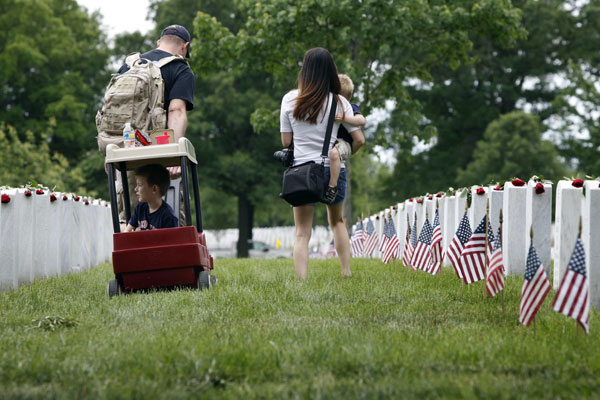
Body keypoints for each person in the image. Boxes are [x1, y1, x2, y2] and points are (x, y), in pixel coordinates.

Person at [280, 47, 365, 279]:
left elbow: (286, 141)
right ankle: (346, 272)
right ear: (331, 71)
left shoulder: (289, 99)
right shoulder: (339, 102)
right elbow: (359, 139)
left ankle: (302, 280)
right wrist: (346, 153)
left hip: (303, 171)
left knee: (301, 232)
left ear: (305, 71)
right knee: (337, 222)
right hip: (332, 170)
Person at [113, 24, 195, 226]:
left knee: (131, 216)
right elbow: (176, 110)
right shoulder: (180, 68)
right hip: (159, 149)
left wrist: (112, 154)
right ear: (185, 47)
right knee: (174, 215)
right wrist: (174, 154)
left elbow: (114, 112)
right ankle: (177, 256)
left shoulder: (129, 66)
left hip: (127, 150)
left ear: (159, 42)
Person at [327, 74, 366, 202]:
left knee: (334, 154)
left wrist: (344, 118)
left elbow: (362, 120)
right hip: (334, 142)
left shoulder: (351, 107)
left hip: (344, 143)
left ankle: (332, 187)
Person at [125, 164, 179, 232]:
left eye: (140, 185)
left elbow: (172, 241)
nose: (136, 189)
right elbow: (127, 232)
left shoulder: (168, 217)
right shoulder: (140, 208)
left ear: (154, 189)